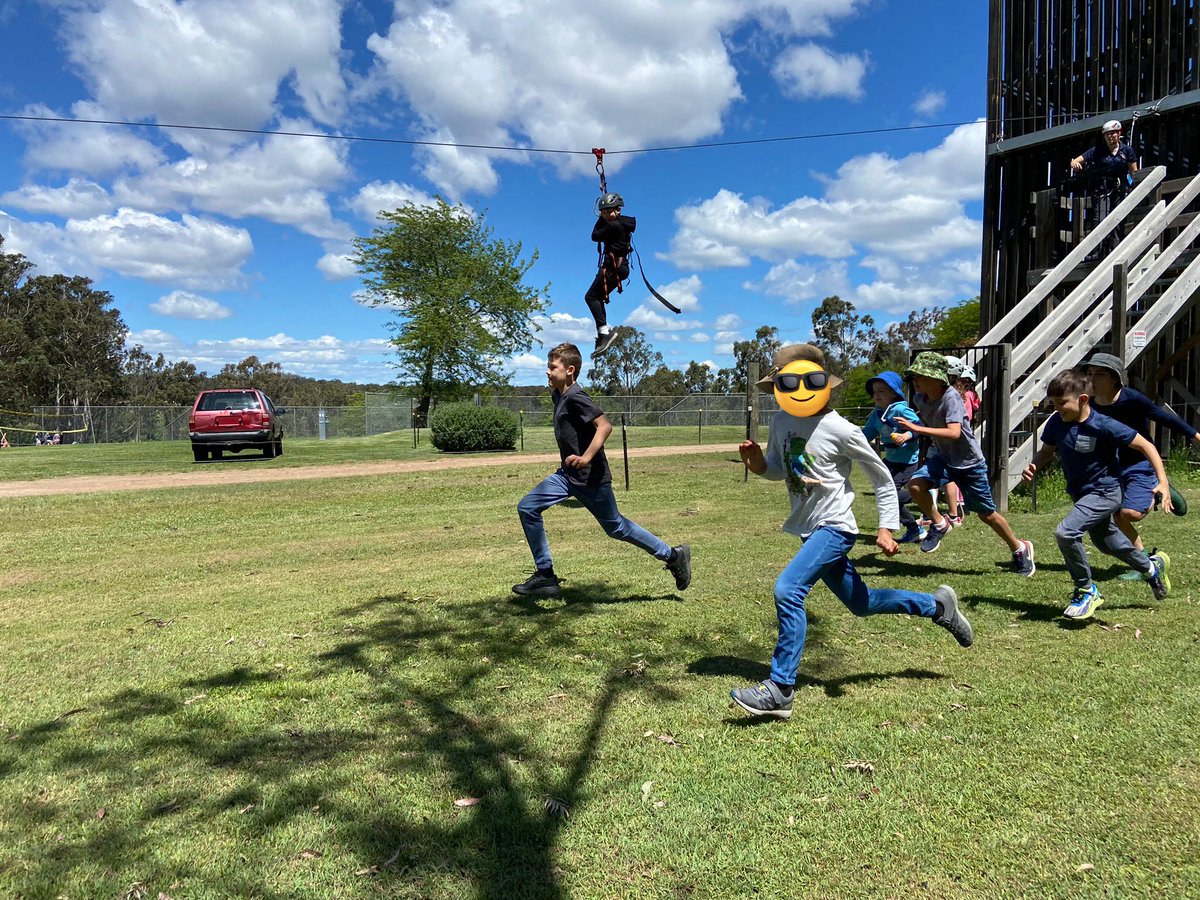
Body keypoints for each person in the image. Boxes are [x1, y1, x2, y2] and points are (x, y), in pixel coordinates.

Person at [729, 344, 973, 720]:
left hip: (835, 526)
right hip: (809, 530)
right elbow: (781, 469)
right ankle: (937, 607)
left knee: (788, 590)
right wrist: (758, 463)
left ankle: (780, 689)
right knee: (863, 603)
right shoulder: (780, 421)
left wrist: (887, 527)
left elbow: (881, 477)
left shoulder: (841, 429)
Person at [514, 342, 691, 598]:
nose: (548, 372)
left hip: (590, 477)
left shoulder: (576, 396)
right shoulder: (558, 394)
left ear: (570, 370)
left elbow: (604, 426)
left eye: (552, 367)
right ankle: (545, 575)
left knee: (617, 527)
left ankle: (673, 556)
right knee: (528, 507)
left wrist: (586, 458)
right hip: (567, 476)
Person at [1022, 368, 1172, 620]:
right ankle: (1151, 567)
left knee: (1066, 532)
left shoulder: (1103, 424)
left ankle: (1086, 589)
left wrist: (1163, 482)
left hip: (1106, 491)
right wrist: (1035, 466)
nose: (1057, 408)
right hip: (1082, 495)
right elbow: (1047, 451)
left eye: (1062, 403)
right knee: (1107, 542)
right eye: (1053, 404)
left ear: (1082, 400)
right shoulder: (1057, 422)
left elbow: (1146, 445)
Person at [900, 352, 1035, 573]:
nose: (914, 381)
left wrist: (917, 429)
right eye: (913, 376)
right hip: (945, 458)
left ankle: (1020, 548)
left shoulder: (951, 397)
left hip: (969, 463)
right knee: (915, 486)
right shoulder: (919, 399)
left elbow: (954, 432)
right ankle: (940, 524)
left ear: (937, 378)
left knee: (987, 515)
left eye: (919, 376)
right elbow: (930, 422)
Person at [1086, 352, 1194, 551]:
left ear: (1114, 378)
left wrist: (1195, 436)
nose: (1091, 379)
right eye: (1090, 373)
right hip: (1112, 467)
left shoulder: (1131, 399)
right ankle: (1143, 560)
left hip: (1139, 463)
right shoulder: (1089, 406)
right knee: (1117, 515)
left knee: (1130, 514)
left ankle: (1159, 484)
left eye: (1099, 374)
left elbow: (1163, 418)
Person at [861, 370, 924, 543]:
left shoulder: (900, 409)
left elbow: (919, 427)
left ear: (894, 393)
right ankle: (914, 526)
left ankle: (922, 497)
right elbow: (865, 434)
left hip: (907, 461)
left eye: (881, 391)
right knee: (884, 493)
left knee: (891, 496)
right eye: (874, 392)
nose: (877, 395)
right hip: (890, 460)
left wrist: (907, 435)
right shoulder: (876, 415)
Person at [1069, 119, 1138, 249]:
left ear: (1119, 134)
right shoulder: (1097, 150)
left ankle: (1116, 250)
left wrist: (1134, 187)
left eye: (1113, 133)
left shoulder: (1127, 151)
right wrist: (1075, 165)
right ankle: (1097, 252)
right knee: (1100, 219)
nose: (1110, 136)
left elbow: (1134, 172)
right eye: (1107, 134)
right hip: (1102, 189)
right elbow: (1075, 161)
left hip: (1120, 189)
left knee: (1119, 220)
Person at [585, 193, 635, 357]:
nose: (606, 215)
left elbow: (595, 236)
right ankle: (602, 335)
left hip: (614, 268)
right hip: (619, 268)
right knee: (596, 298)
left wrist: (600, 219)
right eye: (604, 212)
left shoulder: (613, 226)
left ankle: (604, 334)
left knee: (591, 297)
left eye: (609, 212)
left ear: (618, 210)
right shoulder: (621, 223)